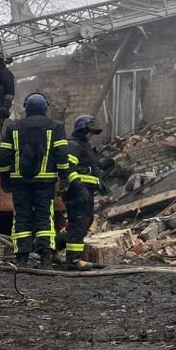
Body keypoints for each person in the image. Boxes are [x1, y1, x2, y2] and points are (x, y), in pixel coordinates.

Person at [0, 93, 68, 267]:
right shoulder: (56, 127)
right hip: (46, 182)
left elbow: (4, 157)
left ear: (26, 108)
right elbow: (62, 155)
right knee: (45, 217)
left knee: (21, 217)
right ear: (45, 108)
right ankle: (46, 258)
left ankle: (21, 259)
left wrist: (5, 179)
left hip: (20, 182)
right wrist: (64, 179)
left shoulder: (13, 128)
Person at [62, 114, 112, 270]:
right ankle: (73, 260)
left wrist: (103, 165)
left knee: (81, 223)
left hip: (85, 190)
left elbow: (88, 166)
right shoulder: (73, 145)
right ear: (82, 130)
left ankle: (54, 248)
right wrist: (78, 186)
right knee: (79, 223)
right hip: (76, 191)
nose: (91, 136)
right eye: (90, 132)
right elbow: (68, 168)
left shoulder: (84, 145)